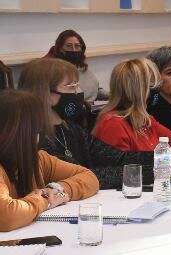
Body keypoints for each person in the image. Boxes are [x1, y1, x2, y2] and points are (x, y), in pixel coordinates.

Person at [19, 59, 171, 190]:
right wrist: (154, 169)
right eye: (71, 87)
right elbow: (87, 177)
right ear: (46, 94)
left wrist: (160, 158)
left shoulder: (70, 129)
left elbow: (118, 157)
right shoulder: (35, 140)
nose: (79, 92)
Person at [0, 90, 99, 232]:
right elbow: (7, 216)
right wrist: (45, 200)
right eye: (36, 128)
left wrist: (56, 190)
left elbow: (89, 177)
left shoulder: (39, 159)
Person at [93, 59, 171, 153]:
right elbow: (123, 167)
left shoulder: (143, 118)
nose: (156, 92)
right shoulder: (113, 124)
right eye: (152, 87)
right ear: (139, 91)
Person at [44, 29, 106, 104]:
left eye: (77, 46)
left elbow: (95, 90)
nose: (73, 50)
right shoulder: (54, 71)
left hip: (94, 107)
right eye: (69, 46)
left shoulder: (81, 66)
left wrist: (113, 95)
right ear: (60, 48)